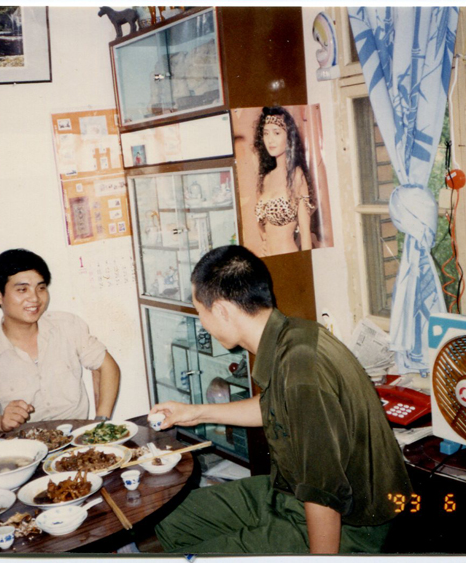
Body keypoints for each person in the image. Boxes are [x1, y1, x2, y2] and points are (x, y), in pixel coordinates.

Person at [151, 245, 411, 554]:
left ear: (221, 310)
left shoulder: (302, 371)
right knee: (171, 519)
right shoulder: (293, 334)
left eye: (200, 312)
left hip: (350, 525)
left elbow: (323, 496)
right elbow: (273, 408)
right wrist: (194, 413)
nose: (202, 322)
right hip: (290, 496)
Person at [0, 249, 121, 435]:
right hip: (21, 447)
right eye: (22, 289)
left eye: (41, 288)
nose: (35, 298)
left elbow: (107, 366)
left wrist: (100, 423)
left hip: (75, 439)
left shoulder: (67, 326)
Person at [253, 106, 316, 256]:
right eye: (266, 133)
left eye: (276, 133)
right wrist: (264, 242)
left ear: (289, 137)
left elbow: (305, 234)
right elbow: (263, 229)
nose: (270, 139)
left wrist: (306, 264)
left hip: (289, 258)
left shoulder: (296, 175)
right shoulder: (265, 178)